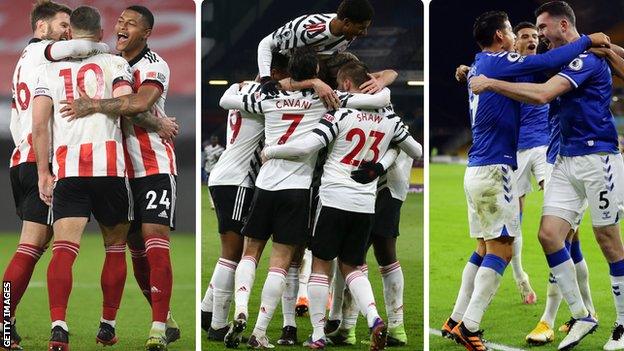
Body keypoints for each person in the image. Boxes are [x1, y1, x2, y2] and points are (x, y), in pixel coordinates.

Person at [439, 9, 608, 351]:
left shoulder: (479, 65)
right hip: (497, 167)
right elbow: (546, 64)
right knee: (502, 248)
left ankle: (456, 319)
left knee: (485, 246)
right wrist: (589, 40)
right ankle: (469, 326)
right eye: (512, 32)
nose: (520, 39)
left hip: (478, 168)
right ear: (502, 37)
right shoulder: (499, 62)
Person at [219, 47, 392, 348]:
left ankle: (242, 308)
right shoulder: (324, 99)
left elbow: (226, 100)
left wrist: (288, 85)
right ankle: (259, 330)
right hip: (297, 189)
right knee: (281, 264)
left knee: (250, 253)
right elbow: (381, 99)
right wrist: (314, 85)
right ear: (316, 71)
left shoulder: (267, 95)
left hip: (265, 184)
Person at [261, 61, 422, 349]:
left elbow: (305, 147)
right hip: (366, 201)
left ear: (346, 84)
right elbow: (417, 150)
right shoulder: (390, 118)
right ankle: (374, 318)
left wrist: (271, 150)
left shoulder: (340, 113)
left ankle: (319, 334)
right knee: (354, 266)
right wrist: (380, 164)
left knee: (322, 265)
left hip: (334, 196)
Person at [58, 5, 181, 350]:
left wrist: (95, 105)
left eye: (131, 23)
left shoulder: (154, 65)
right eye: (120, 21)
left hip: (154, 165)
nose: (121, 26)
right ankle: (166, 316)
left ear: (147, 33)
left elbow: (140, 103)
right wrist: (158, 121)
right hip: (118, 171)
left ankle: (156, 328)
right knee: (135, 249)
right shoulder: (110, 61)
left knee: (155, 238)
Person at [3, 2, 112, 349]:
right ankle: (3, 324)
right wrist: (106, 48)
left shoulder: (25, 59)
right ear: (42, 26)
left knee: (33, 247)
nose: (67, 30)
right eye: (62, 24)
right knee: (30, 247)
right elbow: (83, 45)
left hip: (21, 155)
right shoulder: (41, 52)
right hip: (39, 160)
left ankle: (9, 322)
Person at [31, 6, 136, 350]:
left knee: (63, 249)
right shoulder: (116, 63)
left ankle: (59, 328)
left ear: (69, 33)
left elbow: (39, 125)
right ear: (101, 32)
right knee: (115, 248)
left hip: (69, 170)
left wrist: (43, 172)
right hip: (109, 170)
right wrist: (96, 104)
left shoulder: (49, 67)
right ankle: (107, 325)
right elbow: (127, 105)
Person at [200, 52, 290, 342]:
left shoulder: (238, 89)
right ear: (274, 73)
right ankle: (215, 325)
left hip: (226, 175)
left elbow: (227, 98)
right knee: (233, 253)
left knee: (232, 251)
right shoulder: (265, 99)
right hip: (238, 180)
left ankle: (207, 310)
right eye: (287, 78)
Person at [204, 135, 225, 209]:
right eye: (212, 139)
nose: (214, 141)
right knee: (210, 188)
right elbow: (205, 159)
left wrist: (218, 157)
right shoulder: (207, 149)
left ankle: (219, 202)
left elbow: (222, 160)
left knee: (218, 187)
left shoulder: (221, 149)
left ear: (217, 140)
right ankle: (213, 204)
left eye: (215, 139)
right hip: (208, 170)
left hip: (217, 171)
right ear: (211, 140)